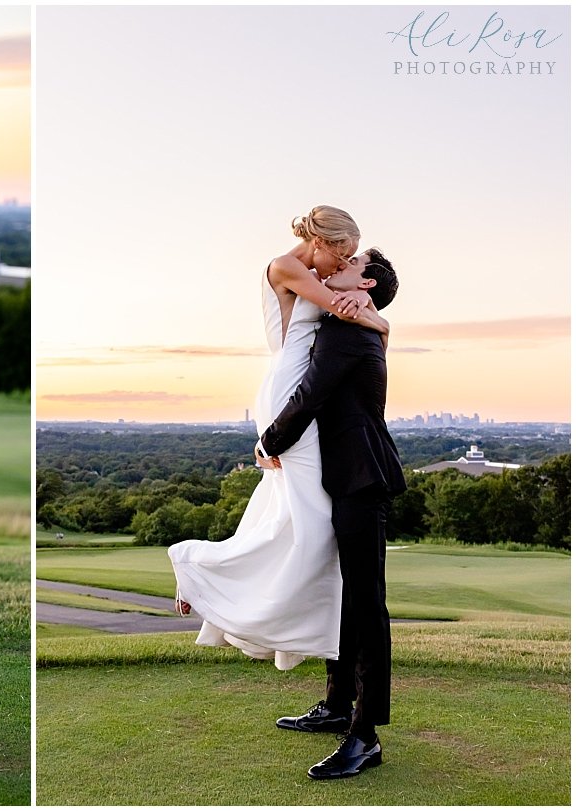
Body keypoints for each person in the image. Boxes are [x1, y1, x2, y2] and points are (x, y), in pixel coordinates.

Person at [168, 206, 388, 669]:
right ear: (323, 243)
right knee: (309, 525)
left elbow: (345, 310)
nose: (341, 267)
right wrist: (381, 322)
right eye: (342, 257)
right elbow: (335, 308)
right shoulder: (285, 266)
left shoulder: (317, 276)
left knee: (293, 513)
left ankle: (276, 620)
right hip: (291, 389)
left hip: (296, 386)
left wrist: (375, 316)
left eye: (350, 262)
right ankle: (196, 565)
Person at [257, 248, 404, 780]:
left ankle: (364, 737)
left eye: (351, 261)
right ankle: (338, 704)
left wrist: (268, 441)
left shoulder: (349, 333)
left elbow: (311, 395)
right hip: (345, 478)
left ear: (363, 282)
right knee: (343, 595)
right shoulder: (358, 326)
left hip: (361, 481)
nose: (335, 265)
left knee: (367, 605)